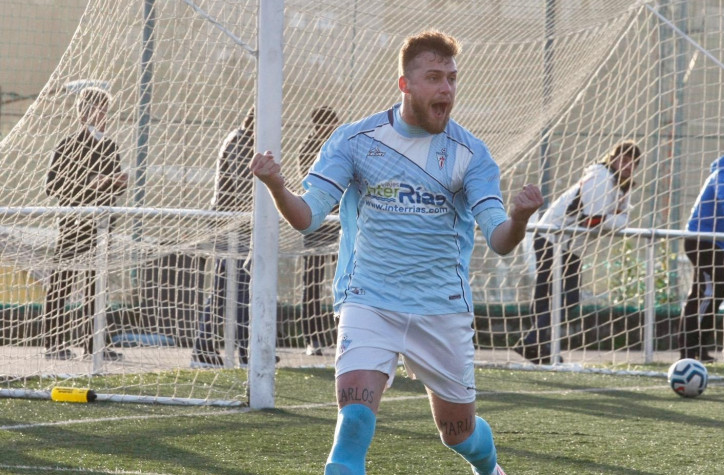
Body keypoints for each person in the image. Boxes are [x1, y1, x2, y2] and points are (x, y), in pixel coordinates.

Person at [251, 29, 542, 475]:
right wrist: (276, 185)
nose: (446, 89)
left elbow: (500, 240)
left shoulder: (471, 154)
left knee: (458, 434)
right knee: (353, 425)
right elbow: (308, 217)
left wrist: (520, 217)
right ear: (405, 84)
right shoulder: (356, 141)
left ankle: (490, 469)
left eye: (451, 78)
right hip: (370, 300)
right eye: (434, 78)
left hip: (440, 308)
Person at [516, 140, 641, 365]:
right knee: (563, 295)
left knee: (558, 296)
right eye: (624, 158)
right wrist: (616, 219)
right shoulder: (601, 177)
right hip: (553, 237)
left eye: (633, 162)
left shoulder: (620, 185)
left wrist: (615, 217)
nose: (628, 165)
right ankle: (535, 341)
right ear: (612, 158)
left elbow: (613, 218)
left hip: (568, 244)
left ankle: (537, 343)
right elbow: (594, 219)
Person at [44, 86, 128, 361]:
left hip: (100, 227)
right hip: (72, 225)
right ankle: (53, 344)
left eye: (106, 109)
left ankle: (94, 345)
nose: (104, 115)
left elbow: (112, 187)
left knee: (97, 286)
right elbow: (52, 185)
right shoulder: (68, 144)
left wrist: (116, 184)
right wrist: (89, 185)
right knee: (62, 284)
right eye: (98, 108)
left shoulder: (111, 145)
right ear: (84, 112)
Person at [190, 107, 255, 368]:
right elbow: (241, 189)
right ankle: (243, 351)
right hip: (230, 226)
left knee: (227, 288)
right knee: (237, 287)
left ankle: (207, 348)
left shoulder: (244, 139)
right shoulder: (241, 141)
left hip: (234, 225)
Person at [677, 139, 724, 363]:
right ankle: (688, 352)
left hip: (715, 243)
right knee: (707, 292)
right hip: (701, 240)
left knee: (714, 292)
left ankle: (698, 350)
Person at [297, 106, 341, 357]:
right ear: (318, 126)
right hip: (316, 223)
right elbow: (310, 183)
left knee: (343, 278)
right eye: (329, 123)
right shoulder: (309, 148)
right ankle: (312, 338)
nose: (333, 127)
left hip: (339, 223)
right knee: (312, 281)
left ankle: (340, 333)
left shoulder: (340, 144)